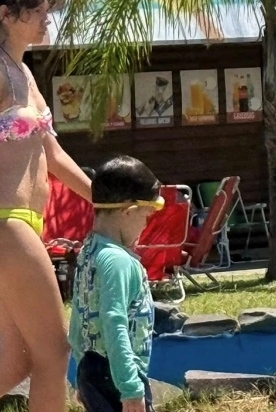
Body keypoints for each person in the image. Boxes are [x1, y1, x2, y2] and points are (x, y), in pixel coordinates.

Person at [0, 0, 93, 412]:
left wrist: (104, 198)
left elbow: (53, 156)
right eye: (39, 14)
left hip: (22, 226)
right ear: (7, 14)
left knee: (13, 366)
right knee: (54, 353)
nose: (47, 23)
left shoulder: (23, 74)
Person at [69, 156, 163, 412]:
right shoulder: (119, 261)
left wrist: (82, 371)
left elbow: (79, 314)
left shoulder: (89, 252)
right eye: (145, 217)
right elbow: (114, 322)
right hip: (118, 375)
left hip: (91, 368)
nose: (145, 225)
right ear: (129, 212)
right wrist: (131, 388)